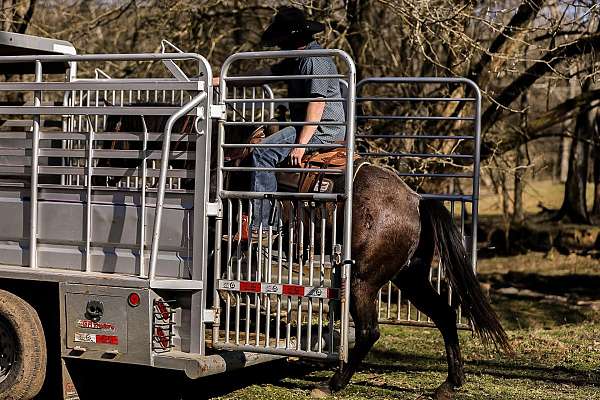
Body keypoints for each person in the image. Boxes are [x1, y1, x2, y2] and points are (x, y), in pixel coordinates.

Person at [218, 6, 346, 240]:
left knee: (263, 153)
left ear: (292, 37)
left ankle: (263, 226)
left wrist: (302, 144)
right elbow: (266, 73)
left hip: (321, 130)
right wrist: (224, 80)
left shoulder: (314, 60)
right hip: (311, 126)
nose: (278, 45)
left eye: (281, 39)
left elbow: (317, 105)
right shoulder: (299, 58)